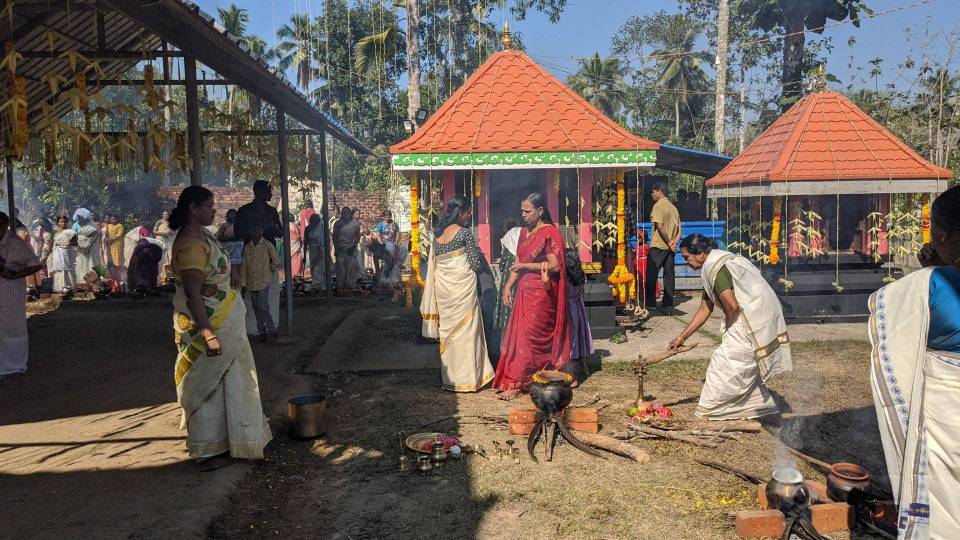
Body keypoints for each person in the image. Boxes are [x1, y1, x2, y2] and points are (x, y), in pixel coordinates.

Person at [868, 186, 960, 538]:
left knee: (944, 503)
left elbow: (883, 309)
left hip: (947, 414)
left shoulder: (928, 286)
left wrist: (932, 272)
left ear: (943, 234)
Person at [168, 186, 271, 461]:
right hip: (208, 324)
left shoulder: (204, 236)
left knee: (233, 381)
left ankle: (233, 440)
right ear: (193, 208)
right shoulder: (190, 243)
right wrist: (208, 333)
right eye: (210, 206)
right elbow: (192, 294)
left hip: (225, 318)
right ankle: (208, 448)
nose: (214, 211)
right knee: (207, 385)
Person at [669, 233, 791, 420]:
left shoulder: (715, 268)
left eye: (687, 257)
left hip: (753, 315)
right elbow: (705, 308)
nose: (687, 263)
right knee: (740, 360)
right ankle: (754, 404)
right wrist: (681, 337)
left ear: (700, 253)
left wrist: (729, 329)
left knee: (725, 360)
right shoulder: (713, 265)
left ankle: (714, 408)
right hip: (755, 311)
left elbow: (732, 307)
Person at [493, 193, 570, 400]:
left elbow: (554, 265)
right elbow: (518, 261)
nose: (523, 215)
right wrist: (508, 285)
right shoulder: (524, 233)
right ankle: (519, 379)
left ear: (540, 211)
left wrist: (527, 266)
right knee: (521, 338)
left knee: (533, 337)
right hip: (524, 292)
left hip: (543, 293)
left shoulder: (550, 233)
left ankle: (527, 380)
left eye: (528, 211)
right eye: (522, 211)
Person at [420, 195, 495, 392]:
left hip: (444, 292)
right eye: (468, 214)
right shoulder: (464, 234)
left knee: (449, 335)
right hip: (463, 292)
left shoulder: (437, 236)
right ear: (460, 213)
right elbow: (475, 264)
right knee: (467, 333)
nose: (468, 218)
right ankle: (469, 380)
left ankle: (451, 380)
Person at [234, 181, 282, 338]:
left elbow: (280, 232)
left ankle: (271, 327)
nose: (271, 194)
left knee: (271, 294)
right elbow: (238, 233)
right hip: (251, 257)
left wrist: (271, 227)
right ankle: (253, 329)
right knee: (251, 296)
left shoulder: (272, 212)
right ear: (259, 191)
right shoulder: (244, 212)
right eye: (268, 190)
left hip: (268, 257)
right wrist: (254, 232)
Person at [0, 211, 44, 379]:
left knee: (13, 331)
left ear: (4, 226)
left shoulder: (15, 242)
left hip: (10, 293)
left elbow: (36, 265)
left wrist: (15, 275)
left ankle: (14, 366)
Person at [241, 225, 281, 344]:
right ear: (250, 231)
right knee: (256, 308)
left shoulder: (267, 245)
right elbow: (244, 266)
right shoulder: (248, 247)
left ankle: (272, 331)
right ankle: (262, 333)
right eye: (254, 229)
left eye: (258, 229)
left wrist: (269, 270)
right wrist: (243, 283)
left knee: (263, 306)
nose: (256, 232)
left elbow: (276, 261)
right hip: (251, 282)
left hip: (264, 280)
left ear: (261, 231)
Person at [645, 181, 681, 309]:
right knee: (669, 275)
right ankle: (668, 303)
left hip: (658, 245)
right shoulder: (674, 208)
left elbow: (659, 226)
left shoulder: (658, 206)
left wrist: (668, 241)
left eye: (653, 191)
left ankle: (650, 303)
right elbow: (679, 231)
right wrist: (674, 242)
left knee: (651, 274)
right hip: (670, 248)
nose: (652, 194)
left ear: (660, 191)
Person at [492, 219, 522, 357]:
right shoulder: (524, 238)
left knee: (507, 317)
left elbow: (503, 266)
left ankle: (505, 352)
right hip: (523, 283)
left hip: (508, 285)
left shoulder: (507, 239)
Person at [565, 247, 594, 381]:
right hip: (579, 306)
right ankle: (585, 367)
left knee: (570, 339)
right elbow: (581, 292)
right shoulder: (580, 275)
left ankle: (571, 373)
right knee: (581, 336)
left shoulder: (565, 276)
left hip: (568, 308)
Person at [333, 207, 361, 291]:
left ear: (350, 214)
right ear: (341, 213)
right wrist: (336, 249)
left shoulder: (355, 223)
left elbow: (358, 236)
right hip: (341, 249)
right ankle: (340, 286)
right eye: (344, 212)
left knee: (352, 266)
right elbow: (334, 237)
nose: (345, 214)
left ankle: (350, 285)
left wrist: (353, 246)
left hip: (351, 249)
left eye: (347, 212)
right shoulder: (337, 224)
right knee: (340, 267)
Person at [217, 209, 244, 287]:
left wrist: (237, 239)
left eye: (234, 214)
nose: (232, 216)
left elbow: (242, 237)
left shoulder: (239, 226)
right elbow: (220, 238)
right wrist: (231, 239)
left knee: (237, 273)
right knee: (227, 271)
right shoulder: (224, 226)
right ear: (227, 216)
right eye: (230, 214)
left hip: (237, 256)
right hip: (227, 252)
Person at [50, 216, 77, 293]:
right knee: (58, 269)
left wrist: (69, 242)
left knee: (69, 268)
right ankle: (58, 289)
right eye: (61, 221)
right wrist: (48, 254)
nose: (63, 223)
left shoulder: (71, 232)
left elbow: (75, 243)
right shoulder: (54, 232)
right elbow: (51, 244)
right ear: (57, 223)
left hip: (67, 252)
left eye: (64, 221)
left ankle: (71, 288)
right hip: (57, 252)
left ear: (67, 222)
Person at [73, 208, 101, 281]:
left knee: (92, 265)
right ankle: (83, 284)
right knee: (82, 267)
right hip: (82, 253)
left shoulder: (93, 226)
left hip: (91, 251)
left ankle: (94, 285)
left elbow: (87, 241)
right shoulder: (83, 225)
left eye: (80, 218)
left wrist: (78, 239)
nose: (79, 220)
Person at [375, 209, 401, 282]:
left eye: (389, 217)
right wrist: (380, 242)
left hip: (391, 244)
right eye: (386, 217)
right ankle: (378, 272)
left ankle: (391, 273)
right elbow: (378, 235)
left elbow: (398, 234)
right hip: (382, 244)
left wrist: (396, 241)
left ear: (391, 217)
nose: (387, 218)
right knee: (375, 255)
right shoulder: (380, 225)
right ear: (383, 217)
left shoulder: (394, 224)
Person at [304, 214, 326, 290]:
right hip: (312, 250)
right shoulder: (308, 229)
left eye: (316, 220)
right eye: (312, 219)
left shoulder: (322, 227)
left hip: (321, 249)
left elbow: (325, 239)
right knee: (313, 266)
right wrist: (304, 254)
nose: (314, 221)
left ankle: (320, 284)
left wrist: (321, 250)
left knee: (320, 267)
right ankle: (316, 284)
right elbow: (305, 242)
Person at [105, 214, 125, 283]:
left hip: (117, 245)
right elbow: (106, 234)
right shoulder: (108, 226)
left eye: (114, 219)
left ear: (117, 219)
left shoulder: (120, 225)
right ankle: (112, 279)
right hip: (109, 245)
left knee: (117, 263)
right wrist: (107, 239)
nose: (112, 220)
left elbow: (119, 234)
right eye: (111, 219)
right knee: (110, 262)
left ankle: (118, 279)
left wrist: (111, 239)